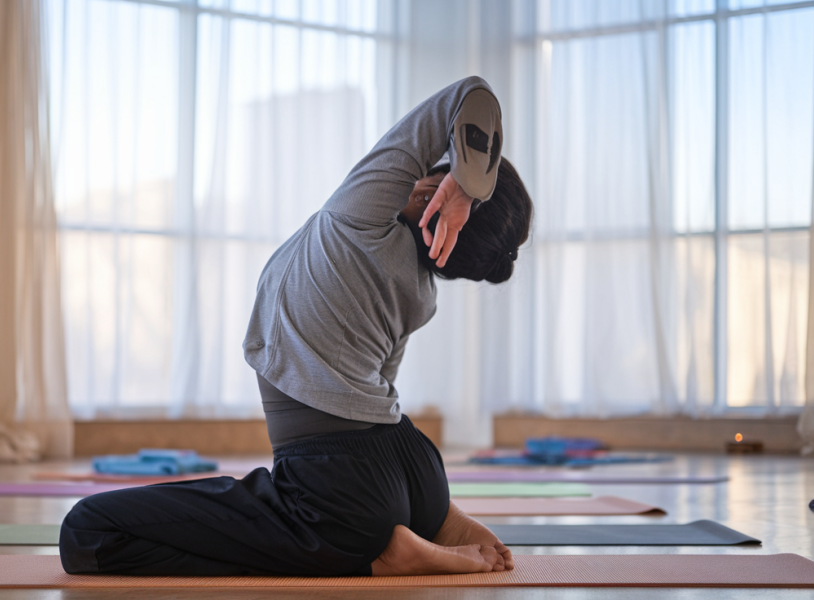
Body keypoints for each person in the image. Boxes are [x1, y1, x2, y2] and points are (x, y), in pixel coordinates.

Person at [59, 76, 534, 577]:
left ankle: (384, 550)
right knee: (250, 535)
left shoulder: (361, 215)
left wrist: (465, 186)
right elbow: (379, 393)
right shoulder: (421, 294)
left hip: (341, 490)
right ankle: (428, 521)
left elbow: (470, 95)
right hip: (414, 464)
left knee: (86, 531)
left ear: (438, 189)